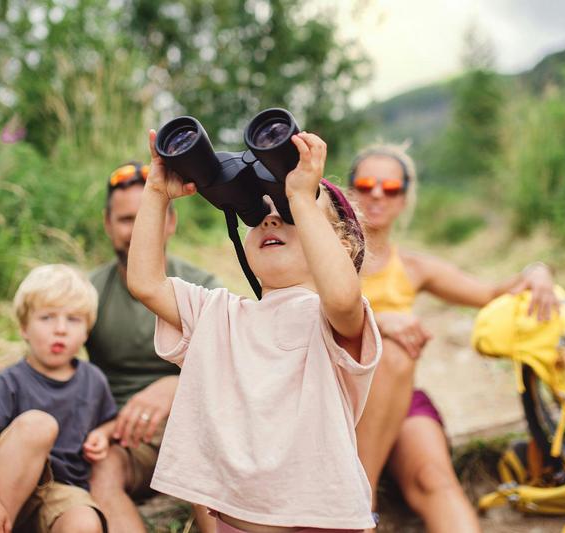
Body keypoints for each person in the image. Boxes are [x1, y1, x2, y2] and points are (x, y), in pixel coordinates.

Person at [127, 129, 381, 533]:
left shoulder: (331, 320)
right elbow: (145, 282)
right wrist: (155, 192)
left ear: (344, 248)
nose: (271, 217)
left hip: (324, 523)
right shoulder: (218, 315)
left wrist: (301, 195)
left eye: (288, 212)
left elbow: (343, 297)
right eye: (258, 215)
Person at [348, 143, 559, 533]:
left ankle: (359, 500)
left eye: (390, 187)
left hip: (396, 397)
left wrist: (536, 269)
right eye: (365, 183)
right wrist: (373, 321)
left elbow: (492, 294)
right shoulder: (324, 258)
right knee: (393, 347)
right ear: (348, 193)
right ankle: (359, 504)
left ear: (404, 197)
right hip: (335, 397)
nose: (377, 194)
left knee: (434, 478)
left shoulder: (413, 267)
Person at [0, 264, 118, 533]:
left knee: (85, 523)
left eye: (73, 319)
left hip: (63, 493)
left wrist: (102, 435)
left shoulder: (93, 379)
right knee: (38, 424)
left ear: (86, 332)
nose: (60, 329)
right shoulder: (11, 380)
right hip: (8, 492)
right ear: (24, 328)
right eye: (47, 317)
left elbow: (110, 420)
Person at [85, 162, 221, 533]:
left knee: (206, 449)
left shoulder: (202, 284)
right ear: (108, 224)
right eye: (127, 219)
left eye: (148, 215)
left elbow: (234, 365)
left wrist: (175, 386)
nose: (135, 231)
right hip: (126, 437)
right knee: (102, 471)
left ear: (171, 222)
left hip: (196, 424)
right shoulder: (88, 291)